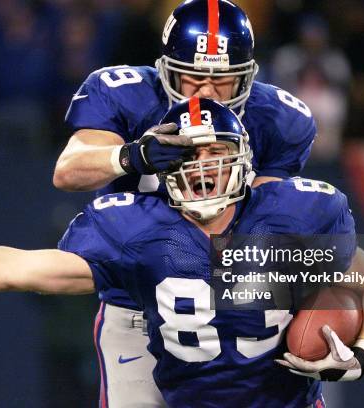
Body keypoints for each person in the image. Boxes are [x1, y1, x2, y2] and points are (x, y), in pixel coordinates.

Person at [0, 99, 364, 407]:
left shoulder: (293, 216)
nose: (203, 169)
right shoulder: (137, 230)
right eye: (187, 157)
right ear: (161, 165)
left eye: (215, 155)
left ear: (245, 161)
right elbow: (24, 267)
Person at [54, 1, 317, 404]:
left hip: (226, 306)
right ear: (167, 70)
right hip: (137, 304)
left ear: (246, 76)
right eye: (192, 78)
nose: (208, 92)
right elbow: (69, 170)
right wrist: (132, 155)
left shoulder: (276, 118)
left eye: (222, 80)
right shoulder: (126, 94)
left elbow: (267, 227)